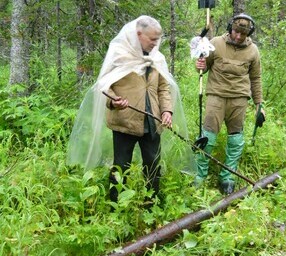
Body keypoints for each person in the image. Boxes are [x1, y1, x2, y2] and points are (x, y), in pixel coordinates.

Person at [67, 15, 192, 205]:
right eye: (152, 39)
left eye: (158, 39)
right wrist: (114, 101)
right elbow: (104, 85)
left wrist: (167, 111)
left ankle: (151, 202)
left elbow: (163, 88)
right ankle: (116, 203)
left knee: (152, 163)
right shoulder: (119, 54)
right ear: (138, 34)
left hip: (152, 121)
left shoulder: (157, 58)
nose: (155, 43)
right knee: (121, 164)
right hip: (125, 121)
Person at [194, 13, 266, 194]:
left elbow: (256, 79)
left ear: (249, 33)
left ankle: (227, 176)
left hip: (239, 99)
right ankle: (200, 175)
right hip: (216, 96)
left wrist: (259, 105)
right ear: (230, 29)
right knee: (208, 136)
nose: (239, 37)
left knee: (236, 138)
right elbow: (203, 65)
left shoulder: (253, 51)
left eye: (243, 34)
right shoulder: (216, 43)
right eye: (236, 32)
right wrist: (200, 66)